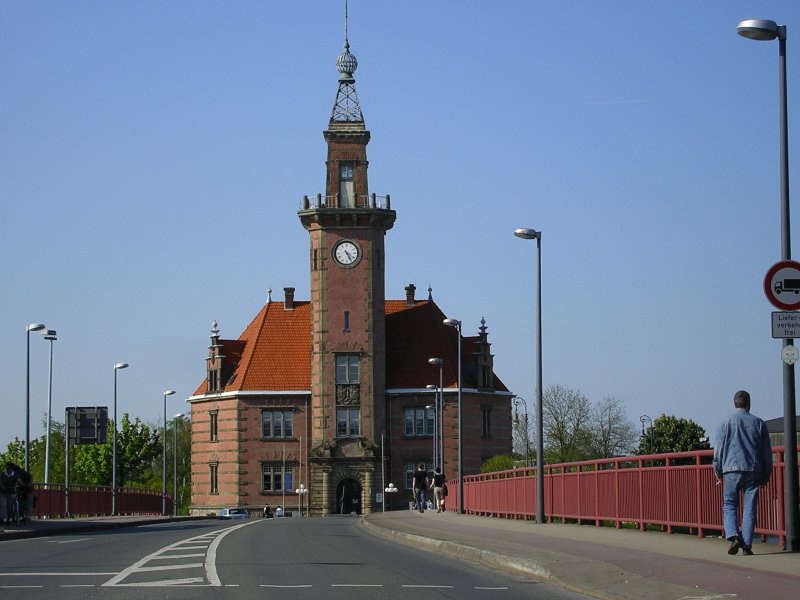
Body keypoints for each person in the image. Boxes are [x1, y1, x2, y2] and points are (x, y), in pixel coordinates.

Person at [713, 390, 773, 556]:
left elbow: (718, 450)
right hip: (753, 470)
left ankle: (733, 536)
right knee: (750, 509)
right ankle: (747, 545)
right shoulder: (759, 423)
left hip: (731, 469)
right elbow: (766, 452)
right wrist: (767, 473)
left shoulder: (726, 422)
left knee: (730, 504)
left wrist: (717, 469)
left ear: (734, 403)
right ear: (749, 403)